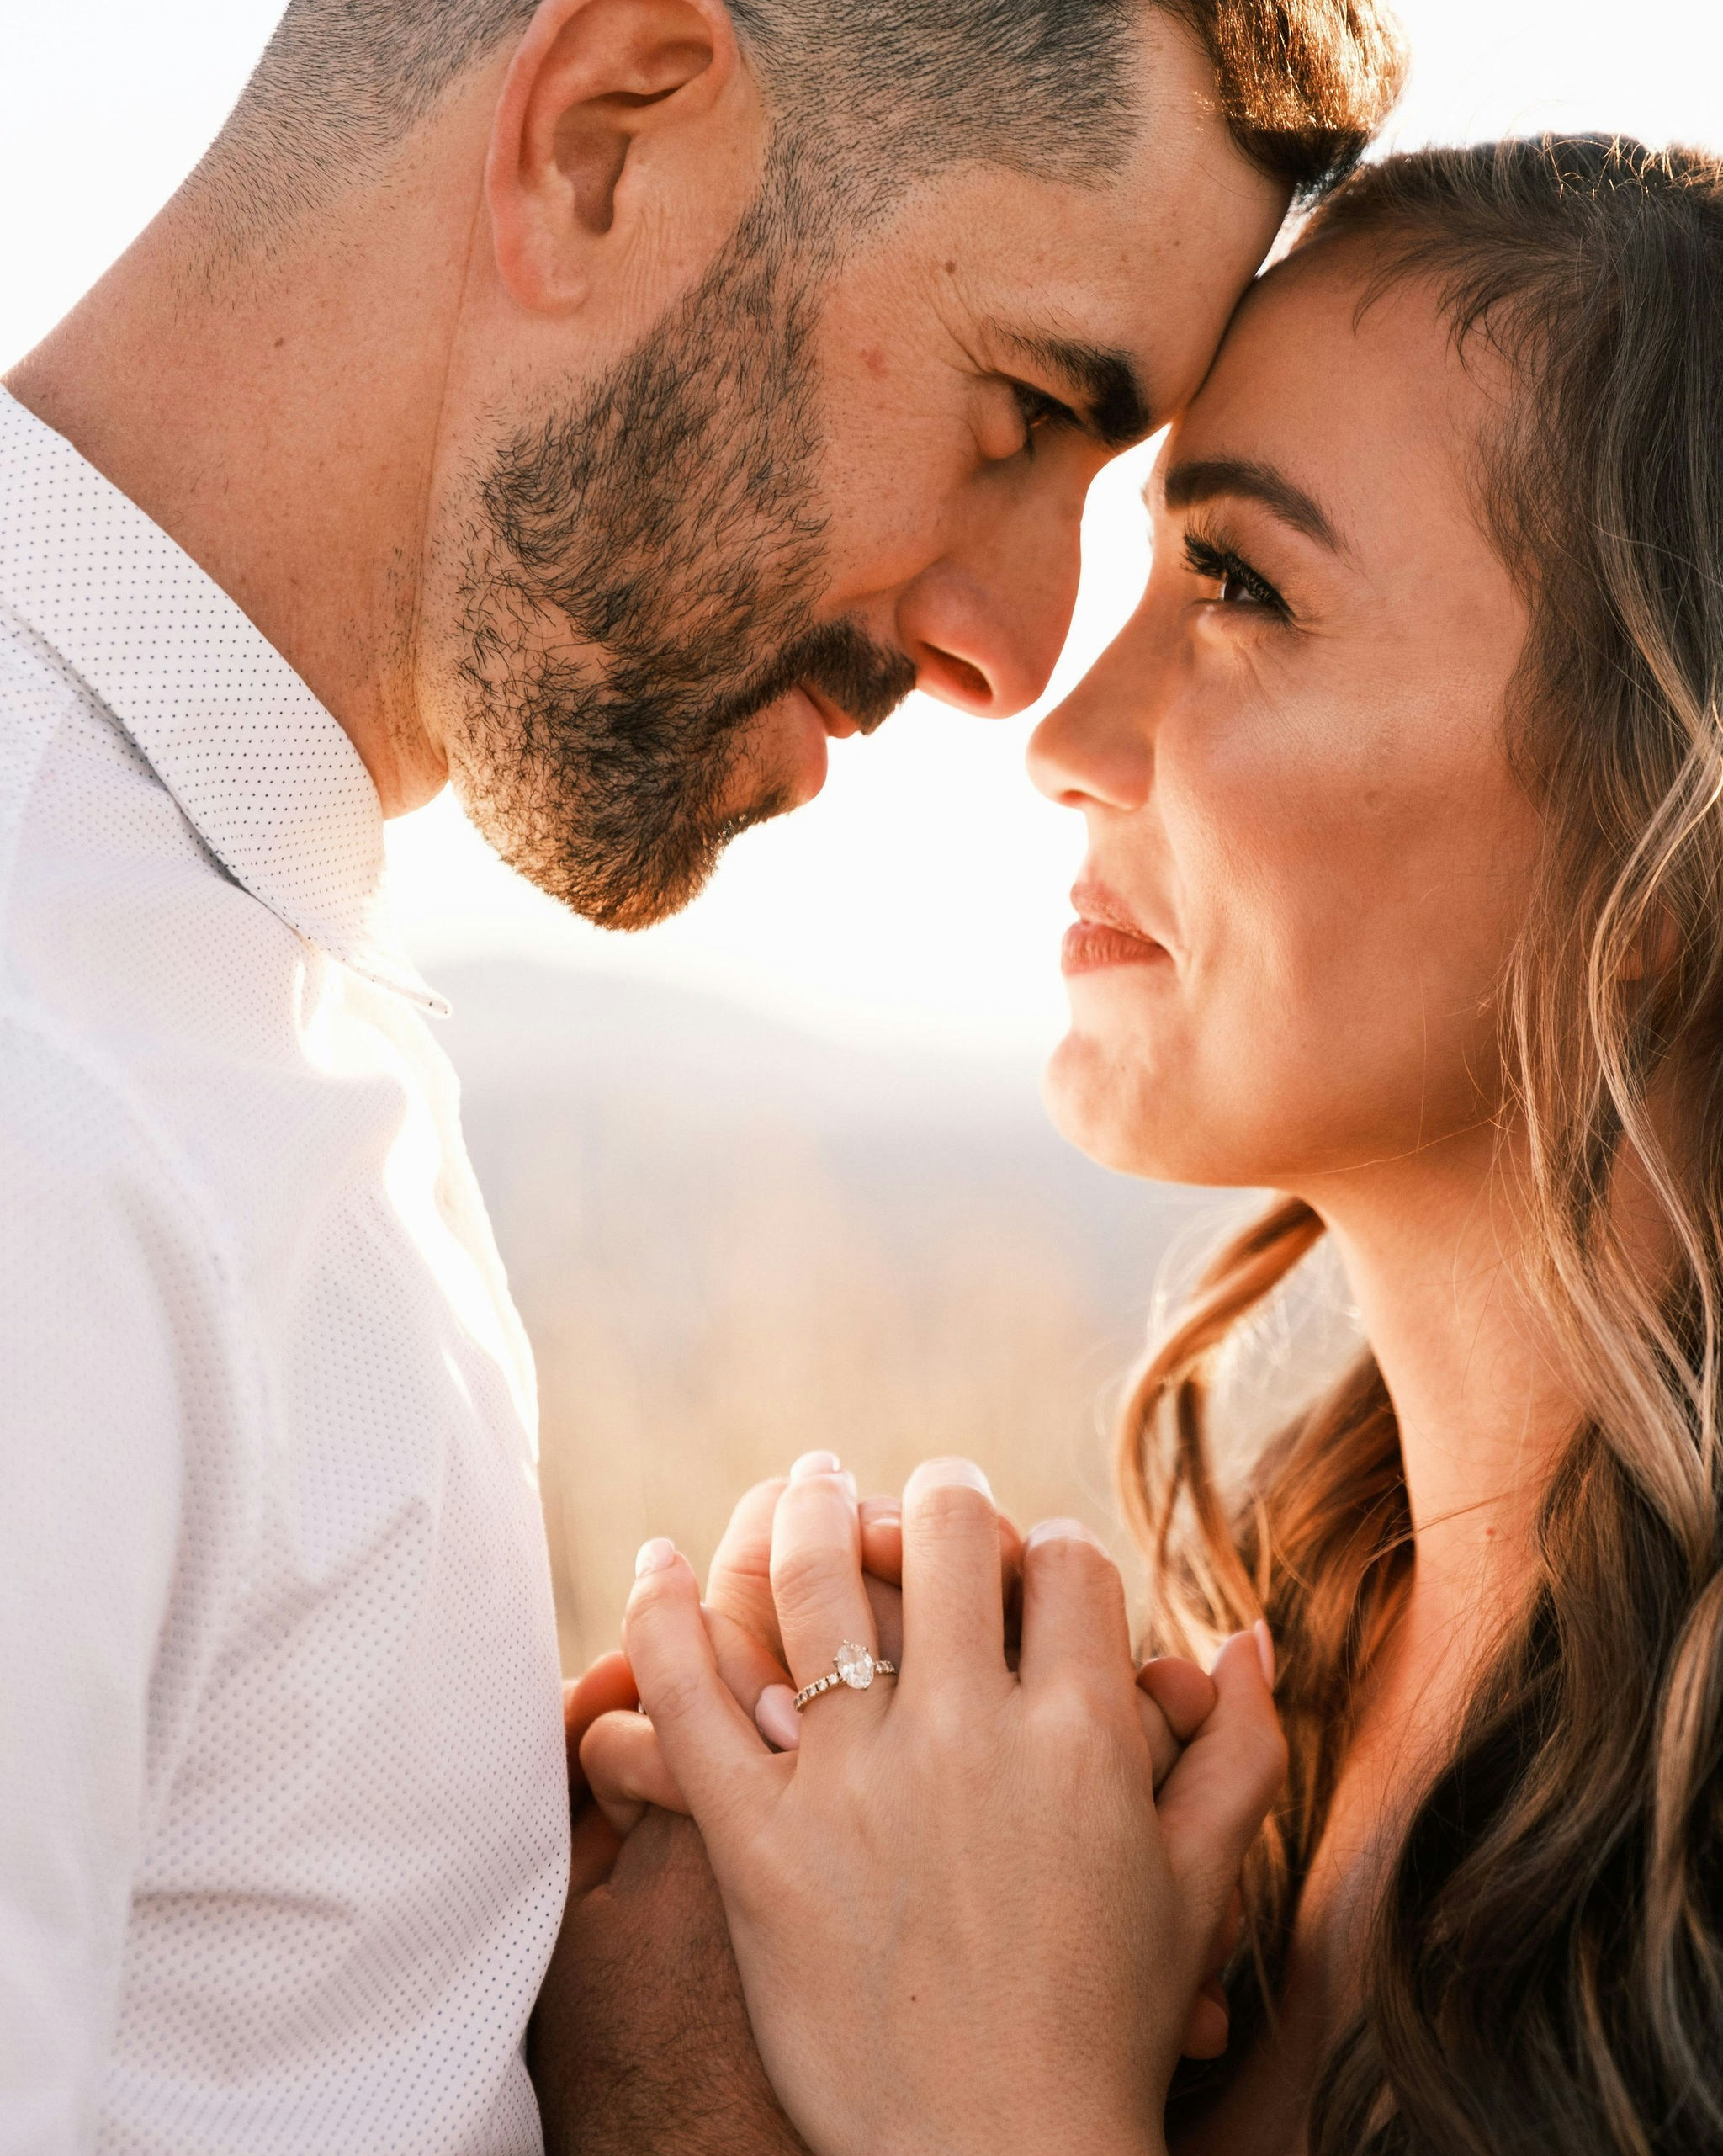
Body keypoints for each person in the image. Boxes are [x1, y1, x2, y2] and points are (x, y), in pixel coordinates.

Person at [0, 0, 1408, 2146]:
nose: (1017, 661)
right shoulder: (58, 1081)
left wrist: (646, 2055)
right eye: (1023, 406)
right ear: (602, 140)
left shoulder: (211, 974)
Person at [571, 135, 1723, 2155]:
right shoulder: (1246, 1748)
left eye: (1244, 588)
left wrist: (987, 2091)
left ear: (1669, 827)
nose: (1059, 734)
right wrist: (695, 2054)